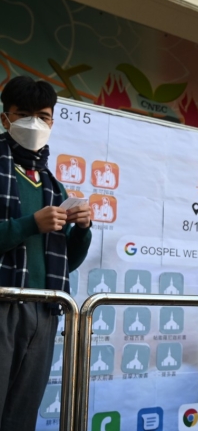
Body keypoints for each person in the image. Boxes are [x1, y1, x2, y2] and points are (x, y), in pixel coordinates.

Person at [0, 76, 92, 431]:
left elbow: (69, 261)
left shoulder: (53, 185)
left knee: (23, 414)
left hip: (44, 308)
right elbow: (28, 228)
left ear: (52, 121)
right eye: (23, 114)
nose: (34, 123)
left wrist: (82, 229)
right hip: (4, 303)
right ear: (5, 118)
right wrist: (29, 224)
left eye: (42, 116)